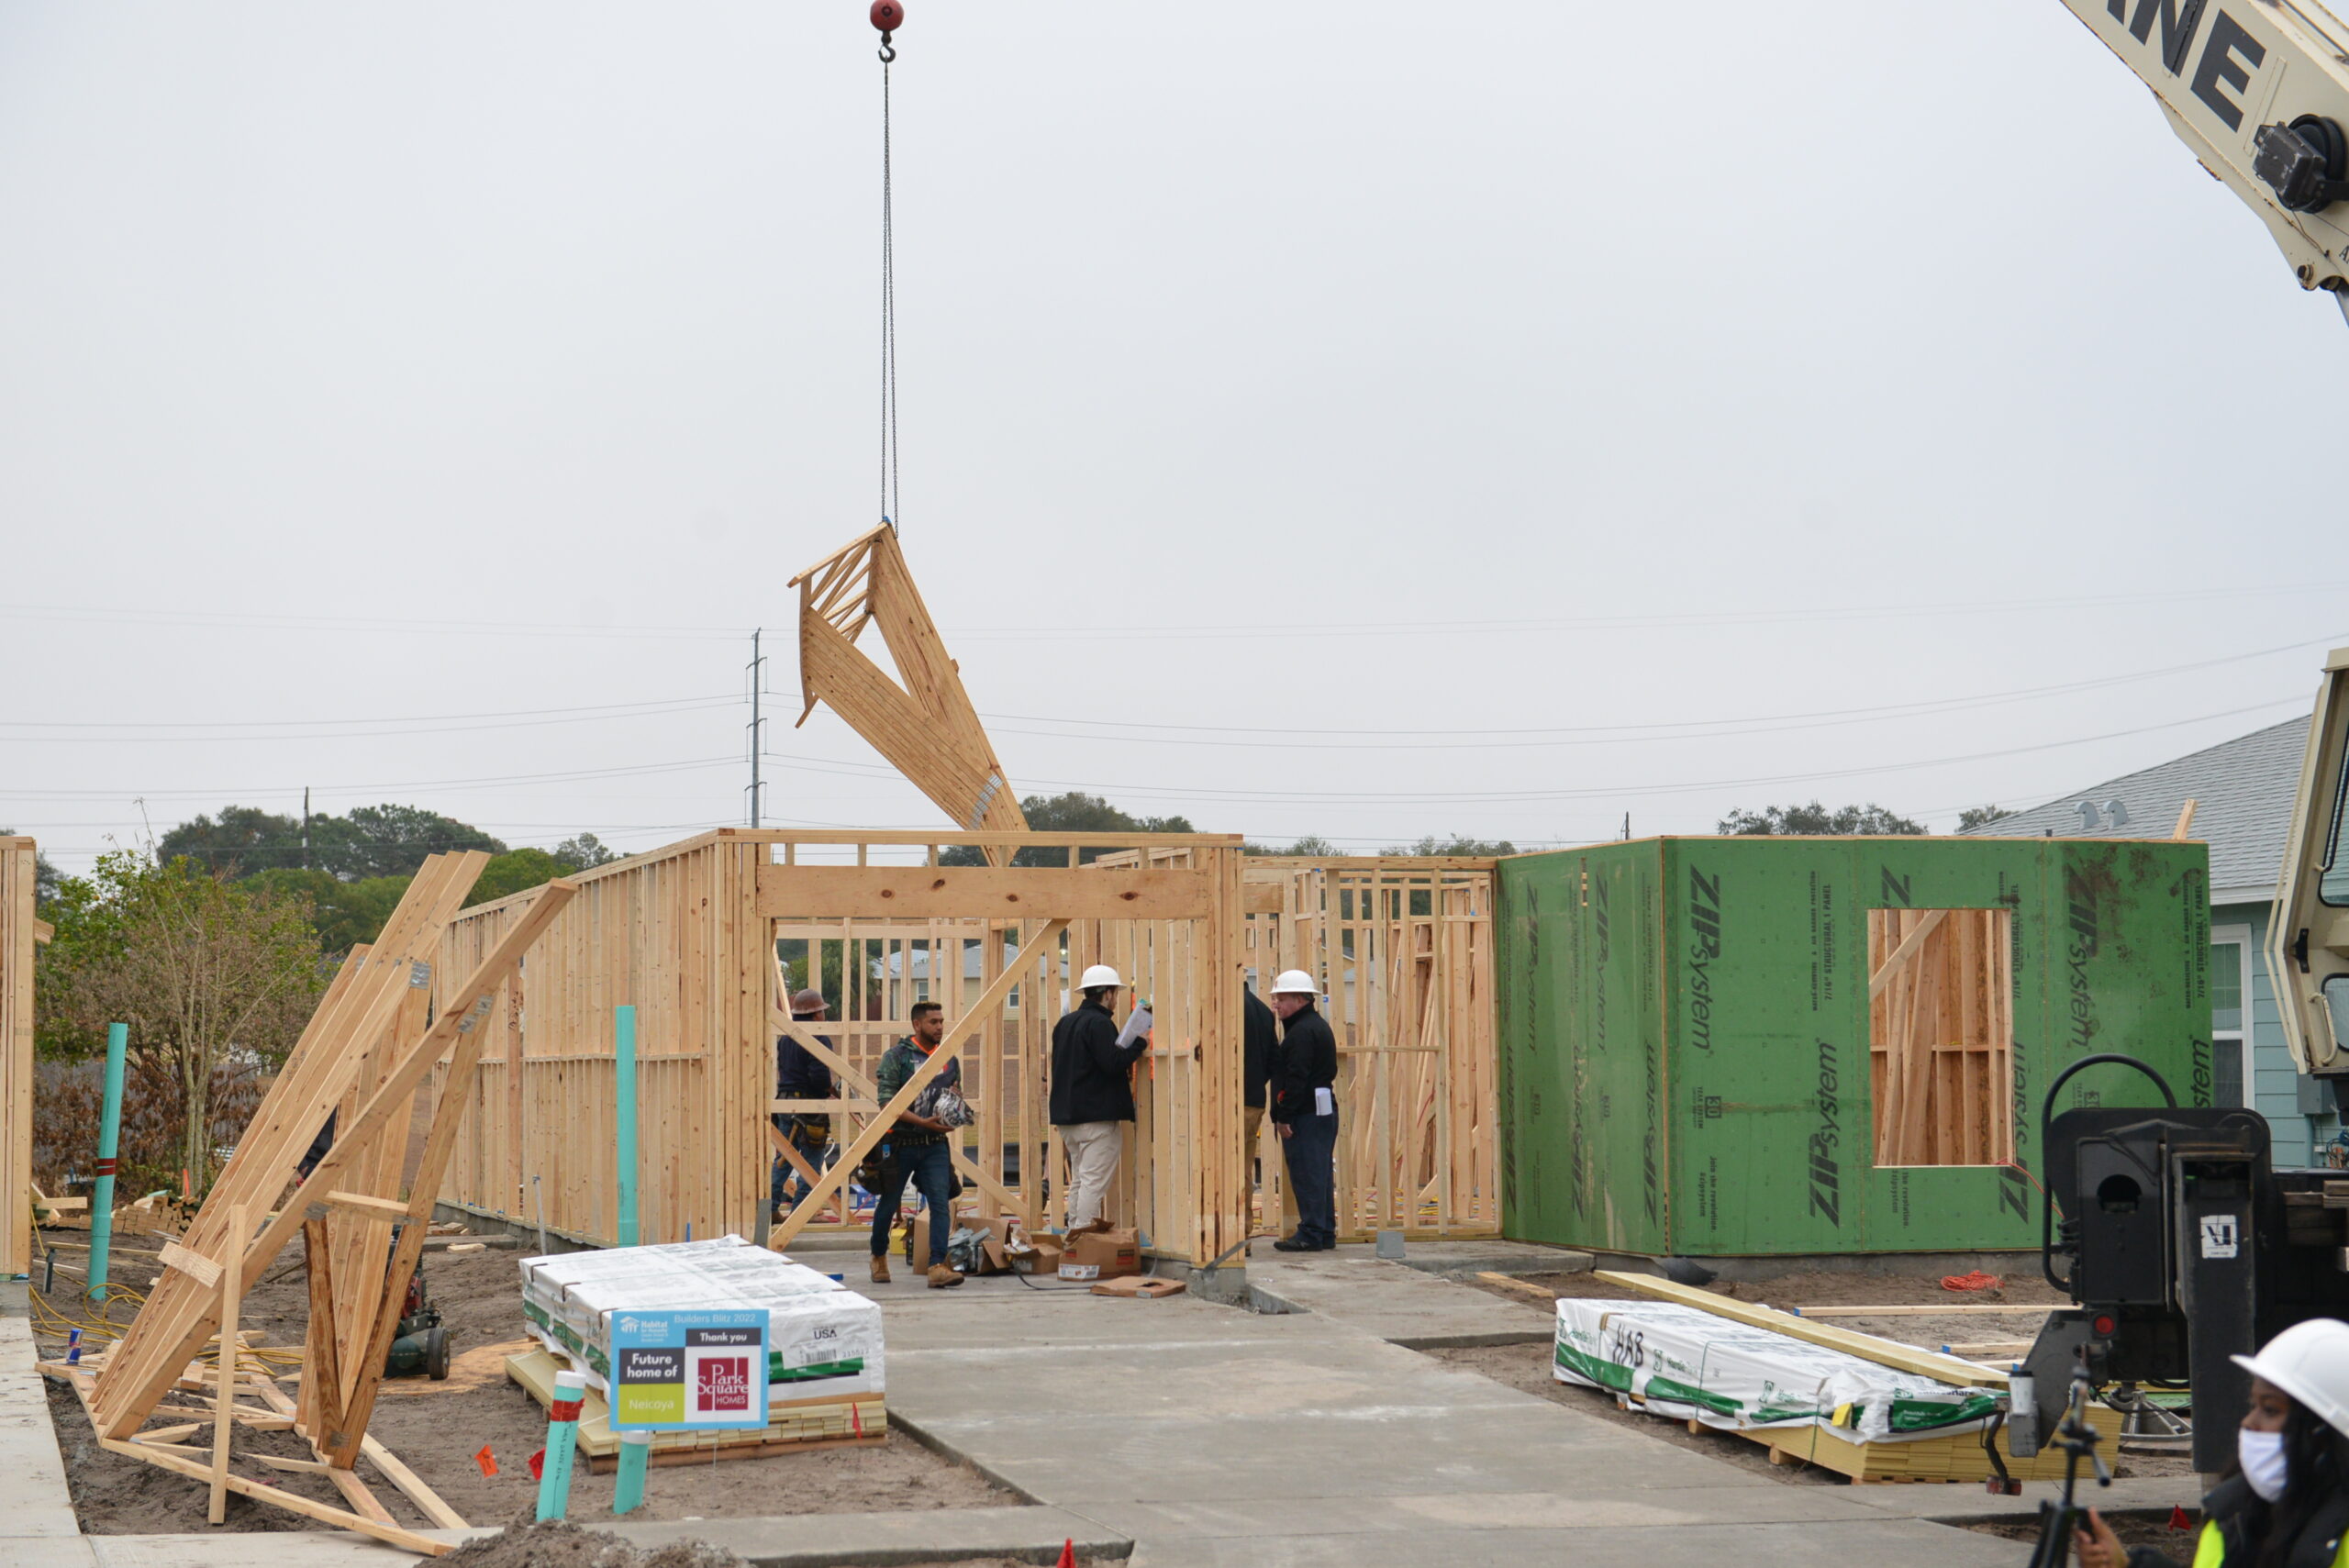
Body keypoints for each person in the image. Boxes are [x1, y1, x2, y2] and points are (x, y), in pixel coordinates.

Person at [2076, 1318, 2349, 1568]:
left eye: (2270, 1410)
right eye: (2253, 1406)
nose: (2248, 1422)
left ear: (2324, 1429)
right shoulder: (2234, 1514)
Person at [869, 1000, 964, 1289]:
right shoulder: (896, 1057)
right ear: (917, 1025)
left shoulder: (948, 1058)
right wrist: (921, 1121)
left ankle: (937, 1265)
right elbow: (887, 1102)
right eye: (933, 1022)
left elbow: (954, 1094)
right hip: (900, 1142)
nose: (939, 1026)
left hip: (934, 1142)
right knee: (889, 1201)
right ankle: (878, 1255)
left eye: (941, 1021)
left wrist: (954, 1111)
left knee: (939, 1201)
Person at [1050, 963, 1148, 1234]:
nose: (1116, 999)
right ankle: (1082, 1238)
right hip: (1095, 1118)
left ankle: (1073, 1234)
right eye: (1115, 993)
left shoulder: (1065, 1023)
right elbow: (1112, 1063)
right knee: (1092, 1181)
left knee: (1081, 1178)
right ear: (1106, 994)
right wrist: (1139, 1043)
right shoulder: (1100, 1023)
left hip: (1068, 1117)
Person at [1266, 969, 1338, 1252]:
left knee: (1308, 1172)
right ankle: (1323, 1231)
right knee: (1319, 1172)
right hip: (1319, 1110)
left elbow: (1296, 1079)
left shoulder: (1301, 1033)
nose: (1277, 1006)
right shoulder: (1314, 1026)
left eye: (1281, 999)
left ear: (1300, 999)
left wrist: (1284, 1116)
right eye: (1276, 999)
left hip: (1305, 1114)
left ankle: (1310, 1234)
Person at [773, 988, 837, 1222]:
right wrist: (826, 1091)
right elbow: (820, 1075)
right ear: (816, 1014)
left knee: (783, 1158)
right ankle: (802, 1212)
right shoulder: (818, 1036)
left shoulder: (786, 1037)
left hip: (785, 1101)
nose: (823, 1016)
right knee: (811, 1159)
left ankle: (769, 1210)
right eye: (821, 1011)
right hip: (808, 1105)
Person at [1243, 981, 1277, 1156]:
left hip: (1233, 1103)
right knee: (1244, 1168)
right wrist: (1256, 1080)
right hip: (1255, 1101)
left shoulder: (1229, 1009)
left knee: (1227, 1171)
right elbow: (1274, 1060)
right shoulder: (1264, 1011)